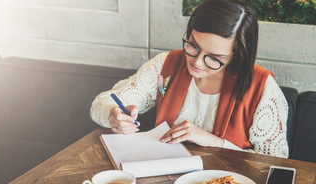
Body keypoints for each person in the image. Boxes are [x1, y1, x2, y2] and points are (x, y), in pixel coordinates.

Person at [90, 0, 289, 158]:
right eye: (193, 46)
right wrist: (114, 115)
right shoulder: (166, 64)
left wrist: (214, 141)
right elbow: (101, 103)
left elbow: (273, 162)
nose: (197, 62)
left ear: (237, 55)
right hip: (164, 183)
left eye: (214, 58)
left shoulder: (262, 88)